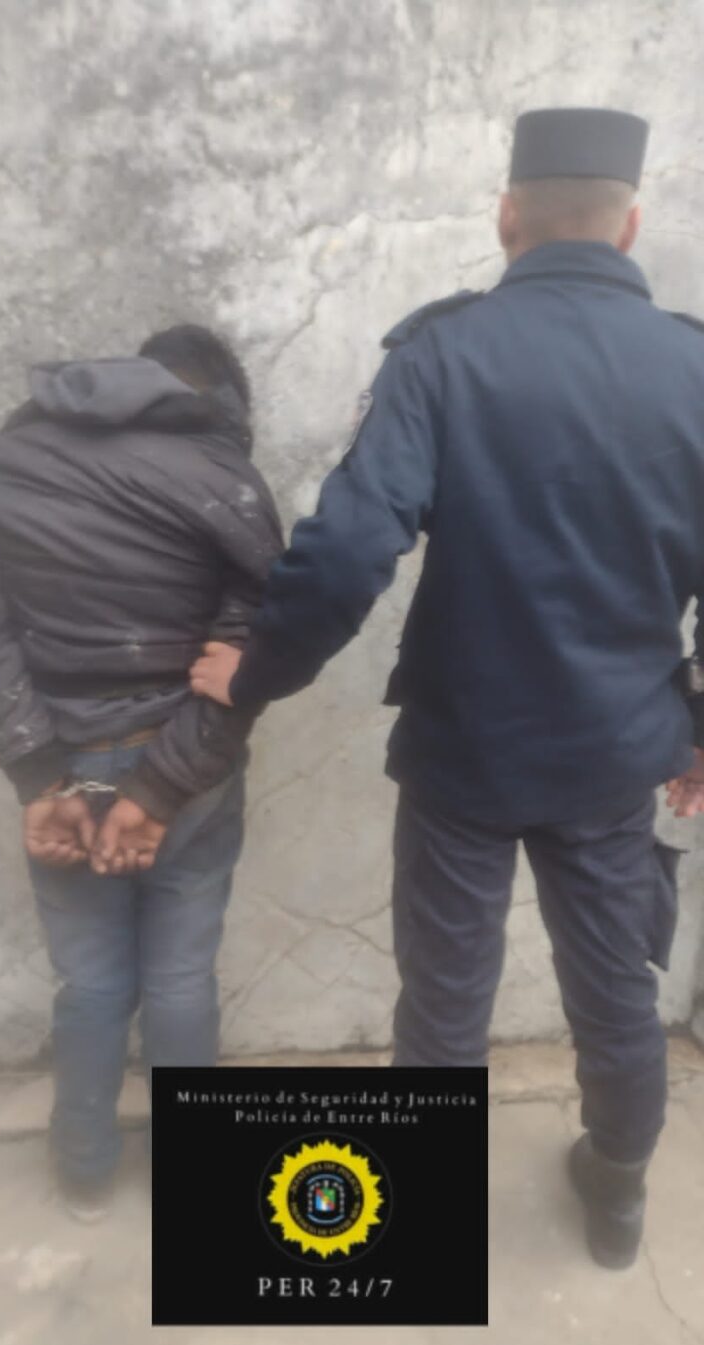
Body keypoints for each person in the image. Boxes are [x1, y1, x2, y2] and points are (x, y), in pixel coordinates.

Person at [191, 108, 704, 1270]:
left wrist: (258, 674)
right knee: (616, 990)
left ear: (508, 215)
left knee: (445, 998)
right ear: (629, 225)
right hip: (614, 754)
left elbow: (345, 551)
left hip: (466, 751)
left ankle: (420, 1214)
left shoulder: (441, 354)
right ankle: (619, 1191)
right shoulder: (694, 369)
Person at [0, 324, 283, 1218]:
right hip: (191, 767)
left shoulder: (10, 461)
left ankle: (85, 1168)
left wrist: (38, 771)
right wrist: (162, 784)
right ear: (214, 397)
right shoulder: (223, 475)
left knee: (91, 982)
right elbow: (257, 635)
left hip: (69, 764)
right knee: (180, 979)